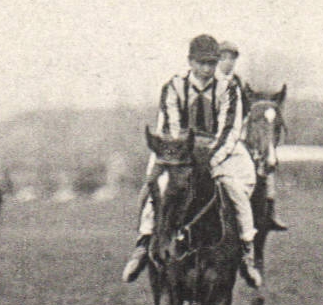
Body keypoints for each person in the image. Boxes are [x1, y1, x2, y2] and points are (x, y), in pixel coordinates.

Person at [122, 34, 264, 287]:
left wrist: (211, 158)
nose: (207, 69)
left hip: (216, 152)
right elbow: (171, 126)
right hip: (179, 152)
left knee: (235, 190)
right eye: (201, 63)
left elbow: (229, 130)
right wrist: (182, 154)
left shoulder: (228, 89)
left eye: (211, 63)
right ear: (190, 61)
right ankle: (143, 243)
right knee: (157, 186)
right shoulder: (174, 87)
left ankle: (246, 251)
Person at [217, 38, 289, 232]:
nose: (228, 62)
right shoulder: (210, 82)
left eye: (232, 58)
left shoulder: (237, 83)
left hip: (234, 136)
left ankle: (269, 211)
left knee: (265, 162)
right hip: (213, 138)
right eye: (224, 58)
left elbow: (244, 110)